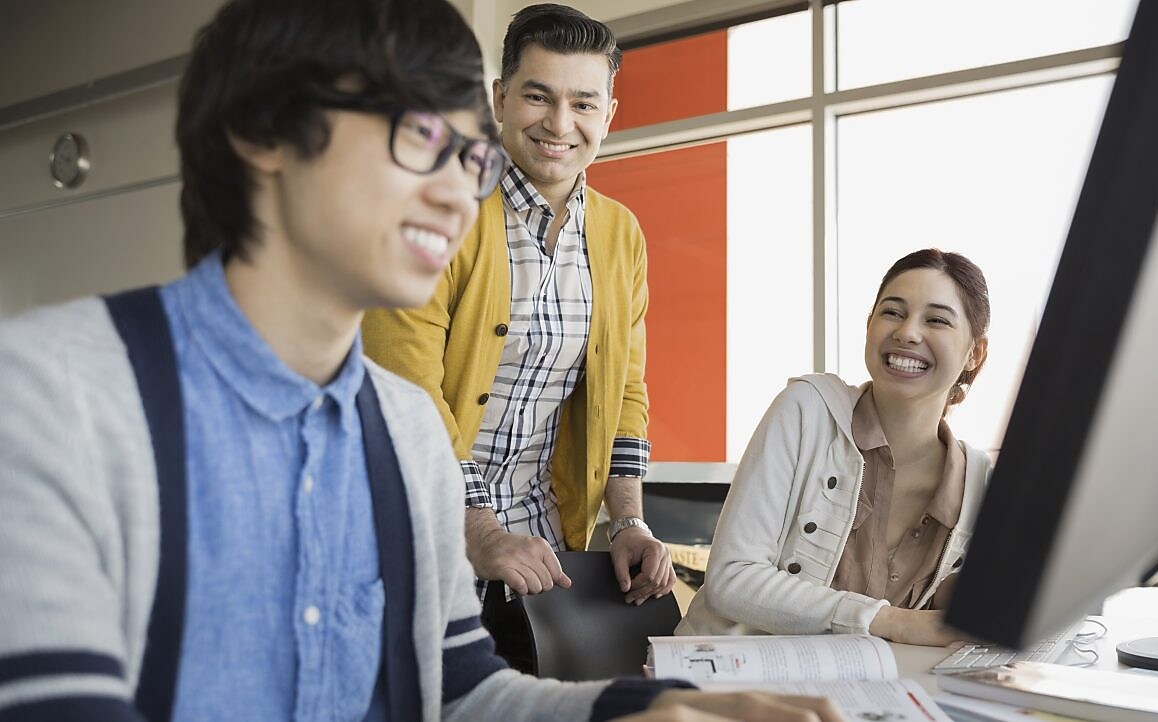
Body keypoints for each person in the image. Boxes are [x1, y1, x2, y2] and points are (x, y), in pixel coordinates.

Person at [0, 1, 845, 720]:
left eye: (471, 153)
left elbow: (461, 689)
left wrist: (643, 707)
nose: (456, 189)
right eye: (415, 138)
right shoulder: (52, 399)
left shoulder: (402, 428)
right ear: (266, 134)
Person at [362, 3, 674, 671]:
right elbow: (401, 390)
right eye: (539, 96)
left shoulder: (621, 235)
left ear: (610, 113)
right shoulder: (431, 207)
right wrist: (477, 529)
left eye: (584, 103)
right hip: (422, 537)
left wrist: (627, 522)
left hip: (541, 558)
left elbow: (624, 392)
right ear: (499, 98)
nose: (561, 124)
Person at [677, 249, 993, 647]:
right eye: (892, 312)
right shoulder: (806, 409)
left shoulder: (978, 481)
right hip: (729, 674)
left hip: (861, 696)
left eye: (936, 320)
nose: (908, 332)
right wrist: (891, 621)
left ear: (974, 353)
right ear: (869, 325)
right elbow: (732, 578)